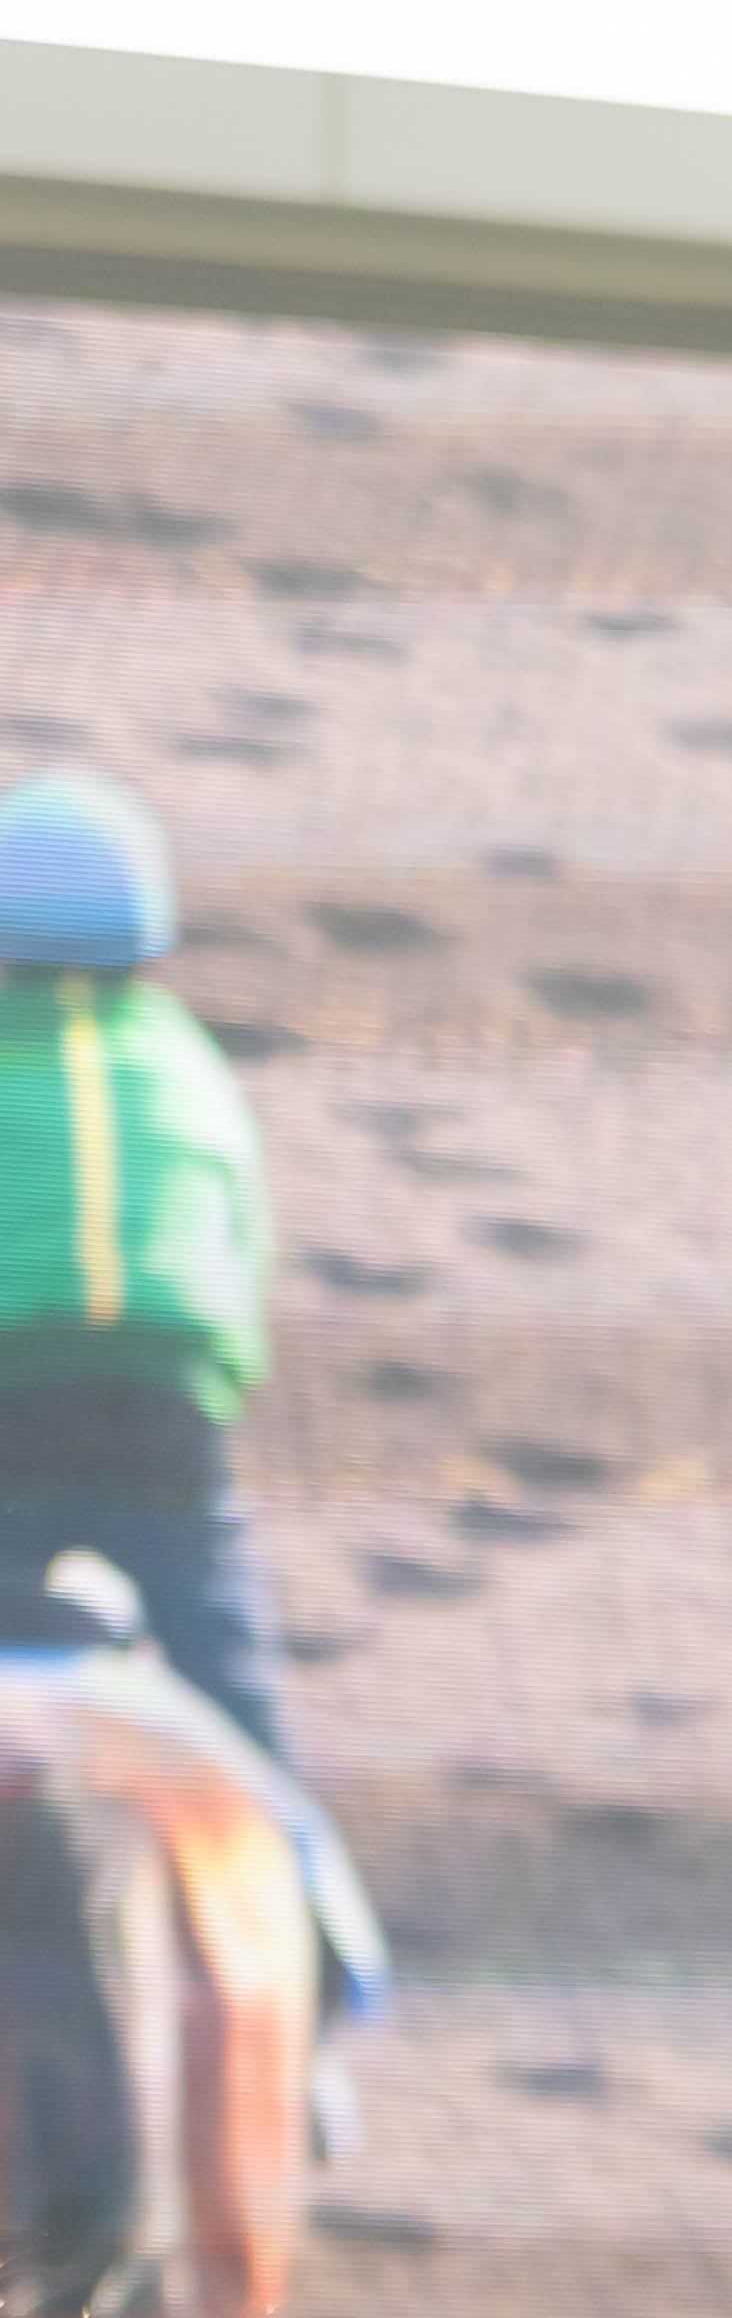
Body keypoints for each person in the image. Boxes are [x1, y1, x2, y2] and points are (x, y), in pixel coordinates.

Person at [0, 767, 378, 2021]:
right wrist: (213, 1388)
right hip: (164, 1407)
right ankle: (328, 1968)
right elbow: (238, 1254)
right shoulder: (188, 1065)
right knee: (229, 1683)